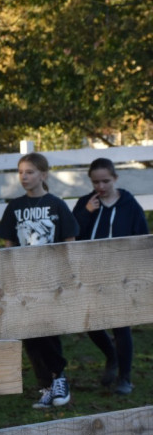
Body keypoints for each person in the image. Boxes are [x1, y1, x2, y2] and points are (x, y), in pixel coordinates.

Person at [0, 152, 78, 409]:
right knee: (29, 336)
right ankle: (45, 386)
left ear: (43, 175)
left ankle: (59, 378)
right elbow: (8, 245)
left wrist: (67, 275)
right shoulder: (14, 207)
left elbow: (69, 242)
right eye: (20, 172)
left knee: (48, 330)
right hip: (23, 281)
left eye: (29, 172)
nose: (24, 177)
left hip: (51, 281)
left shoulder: (56, 205)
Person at [71, 157, 148, 395]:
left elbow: (142, 236)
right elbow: (72, 235)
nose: (101, 187)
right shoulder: (86, 203)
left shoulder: (129, 203)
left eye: (105, 181)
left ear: (115, 178)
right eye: (96, 182)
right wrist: (86, 213)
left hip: (121, 275)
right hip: (91, 273)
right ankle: (111, 356)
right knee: (91, 323)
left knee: (120, 326)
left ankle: (124, 378)